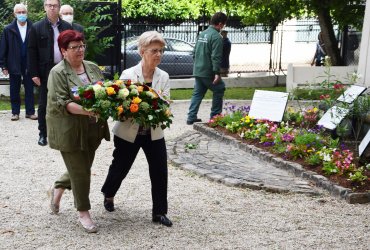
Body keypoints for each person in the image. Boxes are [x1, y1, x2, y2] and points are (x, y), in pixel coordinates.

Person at [101, 31, 173, 227]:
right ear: (142, 51)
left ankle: (159, 212)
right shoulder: (128, 75)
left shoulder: (163, 76)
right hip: (128, 132)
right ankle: (108, 194)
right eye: (154, 51)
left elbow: (166, 103)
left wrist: (157, 104)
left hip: (154, 132)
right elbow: (121, 106)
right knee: (120, 167)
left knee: (160, 171)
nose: (158, 54)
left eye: (161, 51)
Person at [46, 30, 110, 233]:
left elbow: (104, 90)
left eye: (82, 46)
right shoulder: (57, 73)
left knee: (82, 167)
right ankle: (83, 212)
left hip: (92, 128)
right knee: (81, 172)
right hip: (69, 129)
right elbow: (62, 103)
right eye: (74, 47)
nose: (80, 50)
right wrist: (88, 110)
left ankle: (58, 186)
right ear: (64, 51)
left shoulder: (91, 67)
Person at [28, 0, 72, 146]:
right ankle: (43, 133)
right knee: (43, 103)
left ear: (59, 7)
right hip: (45, 70)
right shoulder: (36, 27)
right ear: (45, 7)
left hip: (64, 69)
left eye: (55, 5)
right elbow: (31, 51)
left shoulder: (67, 26)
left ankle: (64, 132)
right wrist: (34, 73)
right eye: (49, 5)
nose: (52, 8)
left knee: (67, 100)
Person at [187, 12, 227, 125]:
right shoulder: (216, 37)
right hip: (208, 71)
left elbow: (194, 52)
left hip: (198, 70)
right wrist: (217, 73)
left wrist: (198, 65)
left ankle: (191, 117)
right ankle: (215, 117)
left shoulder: (202, 34)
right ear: (219, 24)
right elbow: (216, 57)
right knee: (220, 88)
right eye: (223, 25)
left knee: (198, 93)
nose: (223, 27)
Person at [0, 3, 37, 121]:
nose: (22, 14)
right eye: (19, 12)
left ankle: (30, 112)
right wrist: (3, 65)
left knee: (29, 88)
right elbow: (3, 48)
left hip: (29, 63)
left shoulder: (34, 27)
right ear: (14, 14)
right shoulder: (8, 29)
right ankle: (15, 112)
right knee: (14, 88)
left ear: (27, 13)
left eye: (23, 12)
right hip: (13, 62)